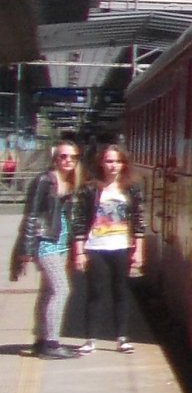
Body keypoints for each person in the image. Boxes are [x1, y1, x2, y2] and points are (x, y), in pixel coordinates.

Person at [73, 143, 141, 353]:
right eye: (109, 161)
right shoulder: (90, 188)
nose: (114, 166)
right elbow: (80, 219)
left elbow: (139, 221)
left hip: (121, 246)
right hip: (96, 246)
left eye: (118, 161)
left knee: (121, 292)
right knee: (96, 293)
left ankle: (122, 338)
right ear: (101, 163)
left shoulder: (131, 188)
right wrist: (79, 251)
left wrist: (138, 251)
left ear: (124, 164)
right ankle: (90, 339)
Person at [18, 138, 81, 358]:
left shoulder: (68, 181)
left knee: (47, 292)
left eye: (73, 157)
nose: (68, 160)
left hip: (60, 243)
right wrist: (26, 248)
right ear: (55, 158)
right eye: (63, 156)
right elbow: (32, 214)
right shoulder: (45, 180)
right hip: (46, 243)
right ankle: (52, 343)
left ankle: (41, 340)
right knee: (61, 290)